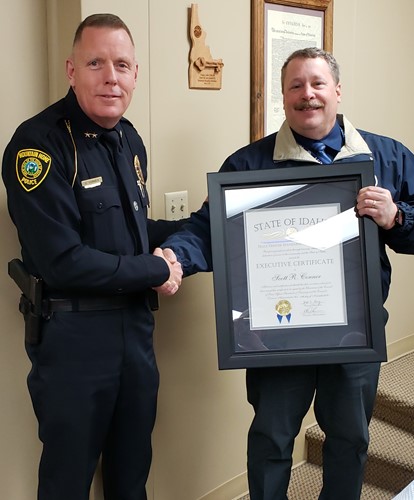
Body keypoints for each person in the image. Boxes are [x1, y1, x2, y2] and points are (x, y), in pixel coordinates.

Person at [159, 47, 414, 499]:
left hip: (356, 332)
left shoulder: (387, 157)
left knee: (350, 438)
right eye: (295, 85)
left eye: (317, 84)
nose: (307, 95)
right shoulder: (248, 166)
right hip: (276, 334)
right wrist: (177, 256)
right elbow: (208, 231)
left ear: (337, 90)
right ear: (283, 96)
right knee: (272, 440)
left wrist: (396, 217)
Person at [2, 13, 184, 500]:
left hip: (136, 334)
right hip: (74, 342)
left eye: (122, 65)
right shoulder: (38, 145)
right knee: (67, 481)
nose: (111, 77)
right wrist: (156, 269)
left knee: (132, 475)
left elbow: (131, 231)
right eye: (96, 63)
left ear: (135, 74)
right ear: (71, 70)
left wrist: (196, 229)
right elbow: (64, 260)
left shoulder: (128, 139)